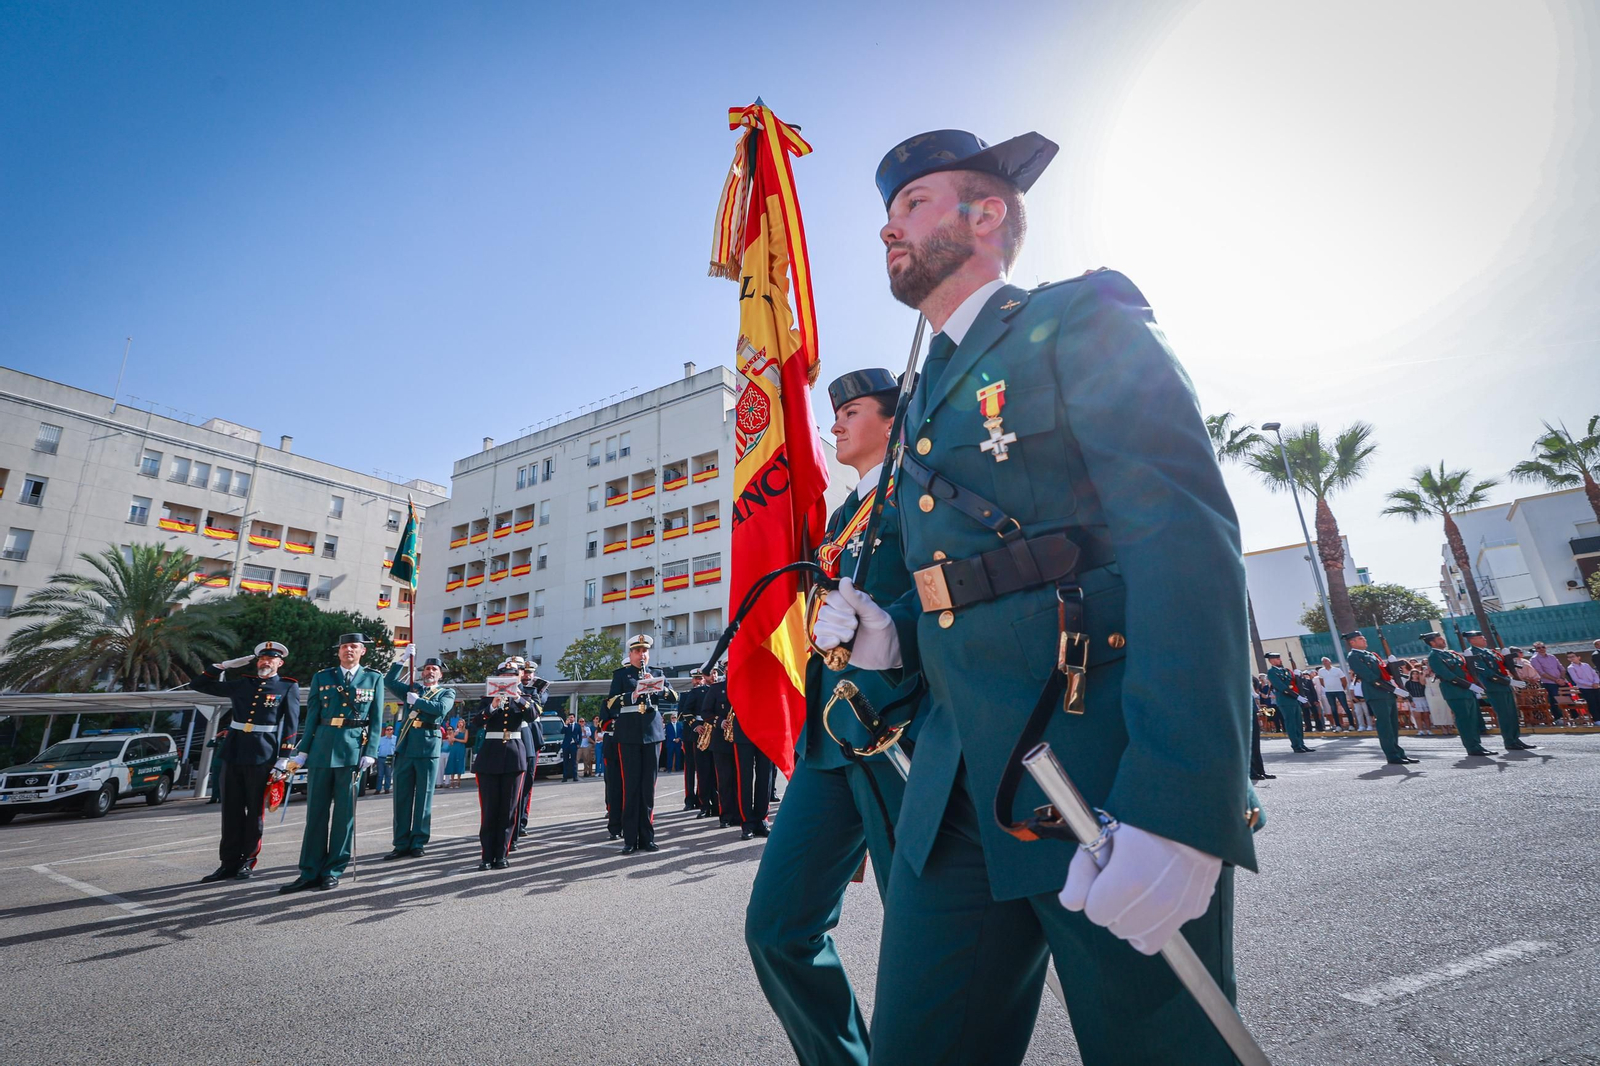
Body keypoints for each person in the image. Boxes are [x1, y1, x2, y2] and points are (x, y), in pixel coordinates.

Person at [813, 128, 1258, 1065]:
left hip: (1095, 764)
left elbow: (1183, 543)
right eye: (888, 213)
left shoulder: (1080, 316)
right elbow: (956, 587)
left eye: (913, 203)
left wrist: (1182, 803)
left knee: (1159, 1052)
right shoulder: (920, 395)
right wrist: (891, 640)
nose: (888, 228)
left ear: (987, 214)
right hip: (954, 788)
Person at [747, 366, 921, 1064]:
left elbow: (944, 597)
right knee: (777, 928)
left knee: (926, 942)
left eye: (853, 411)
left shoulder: (920, 492)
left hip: (900, 734)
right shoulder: (843, 513)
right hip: (828, 743)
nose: (838, 423)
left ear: (893, 419)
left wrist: (891, 627)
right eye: (835, 413)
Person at [279, 633, 382, 893]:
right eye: (344, 646)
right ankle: (309, 871)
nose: (349, 650)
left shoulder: (373, 678)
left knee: (344, 816)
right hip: (322, 750)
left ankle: (333, 870)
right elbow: (313, 715)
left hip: (352, 751)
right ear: (338, 651)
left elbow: (377, 718)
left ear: (362, 651)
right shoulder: (322, 677)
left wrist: (371, 751)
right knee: (315, 814)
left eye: (354, 646)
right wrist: (303, 751)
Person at [191, 640, 300, 883]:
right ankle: (227, 863)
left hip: (263, 754)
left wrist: (284, 758)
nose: (265, 662)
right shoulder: (243, 683)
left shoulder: (287, 686)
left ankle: (248, 861)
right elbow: (198, 685)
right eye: (262, 658)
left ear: (279, 663)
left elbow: (291, 724)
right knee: (230, 810)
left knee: (254, 812)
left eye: (271, 659)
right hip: (234, 751)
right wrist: (221, 666)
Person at [605, 634, 678, 854]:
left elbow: (675, 697)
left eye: (644, 651)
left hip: (652, 734)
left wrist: (659, 687)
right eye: (637, 651)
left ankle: (647, 838)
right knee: (631, 787)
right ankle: (630, 839)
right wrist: (633, 694)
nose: (642, 655)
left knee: (648, 788)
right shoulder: (621, 675)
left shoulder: (657, 673)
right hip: (628, 734)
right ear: (630, 654)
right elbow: (611, 703)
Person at [382, 649, 455, 859]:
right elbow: (389, 681)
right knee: (401, 798)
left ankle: (418, 842)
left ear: (440, 674)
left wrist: (418, 702)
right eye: (427, 669)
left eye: (434, 669)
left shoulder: (446, 692)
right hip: (406, 747)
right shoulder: (412, 689)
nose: (430, 672)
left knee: (424, 797)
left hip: (427, 747)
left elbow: (441, 709)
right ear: (422, 672)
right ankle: (401, 843)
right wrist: (403, 659)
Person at [469, 658, 540, 870]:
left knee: (509, 810)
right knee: (489, 810)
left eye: (512, 676)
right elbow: (476, 723)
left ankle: (501, 855)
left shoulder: (525, 698)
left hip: (514, 755)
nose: (508, 679)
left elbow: (533, 715)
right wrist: (492, 706)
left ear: (518, 678)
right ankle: (486, 856)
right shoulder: (487, 698)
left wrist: (517, 697)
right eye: (504, 676)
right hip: (490, 755)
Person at [1342, 632, 1415, 764]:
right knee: (1385, 726)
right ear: (1352, 642)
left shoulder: (1370, 654)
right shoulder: (1354, 656)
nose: (1364, 640)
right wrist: (1393, 689)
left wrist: (1392, 665)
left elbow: (1383, 672)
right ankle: (1392, 756)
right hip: (1376, 693)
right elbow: (1370, 677)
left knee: (1393, 725)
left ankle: (1398, 753)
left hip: (1387, 693)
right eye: (1360, 639)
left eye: (1364, 638)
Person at [1421, 632, 1495, 756]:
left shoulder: (1450, 653)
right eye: (1439, 639)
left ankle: (1477, 745)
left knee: (1473, 720)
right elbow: (1448, 676)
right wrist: (1469, 685)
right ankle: (1472, 747)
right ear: (1432, 643)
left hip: (1467, 691)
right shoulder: (1434, 657)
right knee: (1464, 720)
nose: (1443, 640)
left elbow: (1465, 669)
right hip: (1454, 691)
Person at [1463, 631, 1536, 750]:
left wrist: (1507, 657)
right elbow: (1487, 673)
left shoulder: (1490, 652)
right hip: (1494, 687)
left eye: (1483, 637)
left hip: (1505, 686)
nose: (1484, 639)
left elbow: (1503, 666)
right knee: (1504, 715)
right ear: (1472, 640)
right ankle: (1509, 740)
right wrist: (1509, 681)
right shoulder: (1473, 654)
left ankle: (1515, 738)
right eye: (1480, 638)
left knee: (1512, 714)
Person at [513, 660, 548, 848]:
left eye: (529, 673)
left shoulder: (536, 690)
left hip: (531, 738)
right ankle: (515, 822)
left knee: (527, 784)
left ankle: (522, 821)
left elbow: (540, 704)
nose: (526, 676)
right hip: (515, 736)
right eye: (523, 672)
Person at [1267, 652, 1314, 752]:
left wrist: (1298, 676)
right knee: (1291, 723)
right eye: (1277, 659)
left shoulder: (1286, 671)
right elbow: (1282, 687)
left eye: (1279, 658)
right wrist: (1297, 697)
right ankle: (1296, 745)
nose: (1280, 660)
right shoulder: (1271, 672)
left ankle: (1301, 743)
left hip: (1294, 700)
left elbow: (1296, 683)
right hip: (1285, 701)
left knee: (1298, 723)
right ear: (1271, 661)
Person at [678, 670, 707, 809]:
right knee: (689, 768)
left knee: (703, 768)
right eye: (695, 678)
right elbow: (680, 715)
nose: (698, 681)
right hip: (689, 735)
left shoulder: (707, 692)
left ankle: (702, 798)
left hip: (704, 733)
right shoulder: (685, 695)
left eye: (700, 678)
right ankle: (689, 799)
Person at [693, 671, 721, 818]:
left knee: (719, 774)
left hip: (719, 733)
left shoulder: (723, 688)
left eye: (715, 673)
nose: (713, 676)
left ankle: (718, 805)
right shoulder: (697, 692)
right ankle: (704, 806)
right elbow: (686, 711)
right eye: (710, 674)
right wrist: (695, 725)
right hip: (703, 734)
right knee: (704, 773)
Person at [1529, 642, 1567, 720]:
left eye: (1543, 647)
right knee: (1555, 700)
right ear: (1536, 649)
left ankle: (1574, 717)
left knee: (1567, 699)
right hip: (1549, 683)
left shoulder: (1552, 656)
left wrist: (1562, 679)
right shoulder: (1534, 659)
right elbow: (1541, 672)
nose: (1541, 649)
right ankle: (1558, 718)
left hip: (1562, 681)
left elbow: (1562, 668)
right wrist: (1556, 680)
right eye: (1538, 648)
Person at [1316, 657, 1351, 729]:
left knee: (1345, 707)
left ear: (1330, 662)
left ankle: (1351, 725)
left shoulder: (1337, 670)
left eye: (1326, 661)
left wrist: (1342, 688)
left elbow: (1344, 680)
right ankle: (1338, 725)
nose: (1325, 663)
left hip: (1339, 691)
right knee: (1333, 709)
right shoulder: (1321, 671)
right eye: (1323, 661)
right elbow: (1322, 681)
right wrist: (1328, 687)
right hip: (1329, 692)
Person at [1566, 653, 1600, 723]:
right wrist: (1591, 684)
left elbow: (1594, 674)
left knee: (1598, 702)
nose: (1572, 658)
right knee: (1592, 703)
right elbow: (1576, 679)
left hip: (1595, 686)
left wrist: (1596, 682)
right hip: (1585, 688)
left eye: (1573, 656)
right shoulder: (1571, 668)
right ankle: (1597, 720)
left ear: (1578, 657)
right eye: (1569, 657)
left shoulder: (1586, 665)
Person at [1405, 667, 1433, 735]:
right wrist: (1411, 701)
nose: (1415, 675)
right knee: (1417, 717)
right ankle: (1420, 730)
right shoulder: (1408, 683)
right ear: (1411, 675)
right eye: (1413, 674)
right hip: (1414, 699)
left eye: (1416, 674)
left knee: (1426, 716)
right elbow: (1407, 693)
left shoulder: (1422, 682)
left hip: (1423, 699)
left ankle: (1428, 730)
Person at [444, 715, 468, 787]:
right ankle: (452, 781)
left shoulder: (465, 731)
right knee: (452, 762)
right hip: (454, 748)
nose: (460, 724)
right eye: (459, 722)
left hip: (460, 748)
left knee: (459, 762)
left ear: (463, 724)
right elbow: (450, 740)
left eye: (461, 722)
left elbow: (465, 740)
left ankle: (458, 781)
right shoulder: (455, 731)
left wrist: (456, 739)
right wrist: (454, 734)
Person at [375, 726, 396, 793]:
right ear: (385, 731)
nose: (389, 730)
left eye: (390, 729)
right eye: (387, 729)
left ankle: (387, 789)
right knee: (380, 775)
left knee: (388, 774)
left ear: (393, 730)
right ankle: (378, 789)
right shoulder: (381, 739)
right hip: (381, 758)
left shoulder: (396, 739)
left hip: (389, 757)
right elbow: (377, 748)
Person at [561, 713, 581, 782]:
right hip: (566, 745)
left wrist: (579, 743)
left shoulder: (577, 726)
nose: (570, 718)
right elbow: (562, 732)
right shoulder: (567, 725)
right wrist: (565, 725)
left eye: (572, 717)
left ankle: (575, 776)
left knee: (574, 761)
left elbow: (580, 735)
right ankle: (565, 777)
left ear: (574, 718)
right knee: (565, 761)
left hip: (573, 745)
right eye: (569, 717)